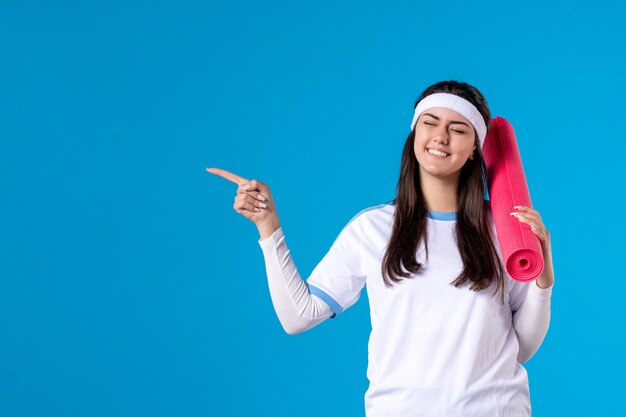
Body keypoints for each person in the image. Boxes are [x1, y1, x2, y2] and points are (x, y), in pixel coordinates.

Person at [207, 80, 554, 417]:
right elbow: (298, 316)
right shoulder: (372, 229)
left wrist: (543, 281)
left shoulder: (505, 231)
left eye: (458, 128)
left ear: (475, 147)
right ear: (414, 134)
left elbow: (521, 349)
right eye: (429, 122)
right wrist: (269, 228)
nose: (441, 137)